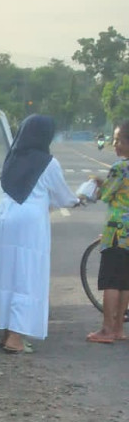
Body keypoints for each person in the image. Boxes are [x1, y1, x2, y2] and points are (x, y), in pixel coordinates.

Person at [0, 114, 78, 353]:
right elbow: (63, 196)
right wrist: (79, 199)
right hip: (29, 222)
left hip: (3, 217)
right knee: (26, 276)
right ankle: (15, 338)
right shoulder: (48, 162)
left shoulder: (12, 157)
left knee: (4, 274)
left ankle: (4, 331)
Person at [86, 120, 129, 343]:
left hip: (116, 231)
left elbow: (106, 195)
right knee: (125, 283)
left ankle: (106, 330)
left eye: (118, 140)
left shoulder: (120, 166)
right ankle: (119, 329)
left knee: (111, 281)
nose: (115, 144)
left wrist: (97, 184)